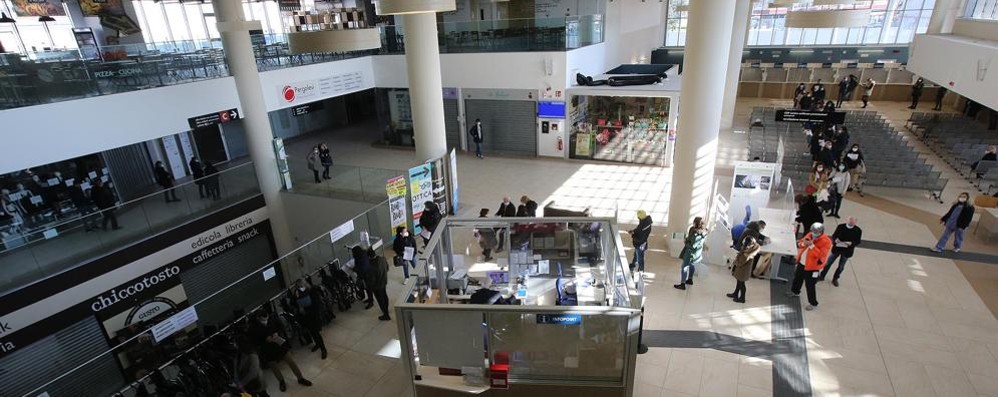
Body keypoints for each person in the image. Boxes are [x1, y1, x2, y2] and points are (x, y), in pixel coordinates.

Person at [248, 311, 312, 391]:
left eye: (267, 317)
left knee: (291, 361)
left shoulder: (272, 319)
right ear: (258, 318)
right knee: (274, 367)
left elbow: (280, 327)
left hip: (279, 345)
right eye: (263, 319)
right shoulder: (253, 327)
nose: (265, 319)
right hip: (267, 350)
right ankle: (281, 382)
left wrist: (277, 333)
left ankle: (300, 378)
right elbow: (254, 341)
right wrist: (265, 340)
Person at [787, 223, 832, 311]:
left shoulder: (826, 241)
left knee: (810, 285)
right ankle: (795, 291)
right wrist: (804, 244)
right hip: (802, 262)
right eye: (813, 231)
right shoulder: (810, 235)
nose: (813, 233)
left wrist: (812, 245)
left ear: (821, 232)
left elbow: (821, 255)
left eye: (816, 232)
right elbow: (800, 244)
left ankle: (813, 303)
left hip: (813, 267)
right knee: (797, 278)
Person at [818, 217, 862, 286]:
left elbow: (858, 241)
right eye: (850, 221)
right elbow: (834, 235)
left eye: (853, 222)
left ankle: (835, 278)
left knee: (841, 266)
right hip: (837, 249)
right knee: (828, 263)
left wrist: (851, 243)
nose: (851, 222)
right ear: (847, 220)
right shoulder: (840, 226)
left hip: (847, 251)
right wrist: (835, 240)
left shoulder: (858, 230)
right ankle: (822, 276)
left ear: (855, 222)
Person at [291, 279, 328, 359]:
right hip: (305, 317)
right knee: (312, 331)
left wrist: (306, 308)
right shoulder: (297, 293)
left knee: (316, 333)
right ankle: (317, 344)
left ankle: (323, 349)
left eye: (302, 284)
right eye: (299, 285)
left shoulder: (311, 290)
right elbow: (293, 302)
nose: (301, 287)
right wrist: (299, 306)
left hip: (313, 315)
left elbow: (317, 303)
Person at [674, 216, 707, 290]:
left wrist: (686, 242)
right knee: (692, 265)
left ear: (697, 223)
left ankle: (682, 284)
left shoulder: (696, 234)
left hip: (690, 253)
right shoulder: (703, 232)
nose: (693, 223)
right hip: (696, 254)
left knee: (684, 267)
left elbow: (693, 245)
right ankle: (690, 279)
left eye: (694, 222)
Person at [728, 233, 761, 303]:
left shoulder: (747, 253)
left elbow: (740, 262)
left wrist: (735, 261)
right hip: (742, 269)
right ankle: (736, 293)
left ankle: (742, 298)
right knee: (738, 282)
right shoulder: (752, 247)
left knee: (741, 284)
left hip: (742, 270)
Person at [367, 247, 391, 321]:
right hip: (384, 281)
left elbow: (372, 280)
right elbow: (387, 268)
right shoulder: (382, 259)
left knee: (380, 300)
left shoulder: (371, 266)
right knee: (384, 296)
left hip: (377, 286)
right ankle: (386, 309)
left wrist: (369, 286)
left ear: (368, 257)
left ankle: (386, 314)